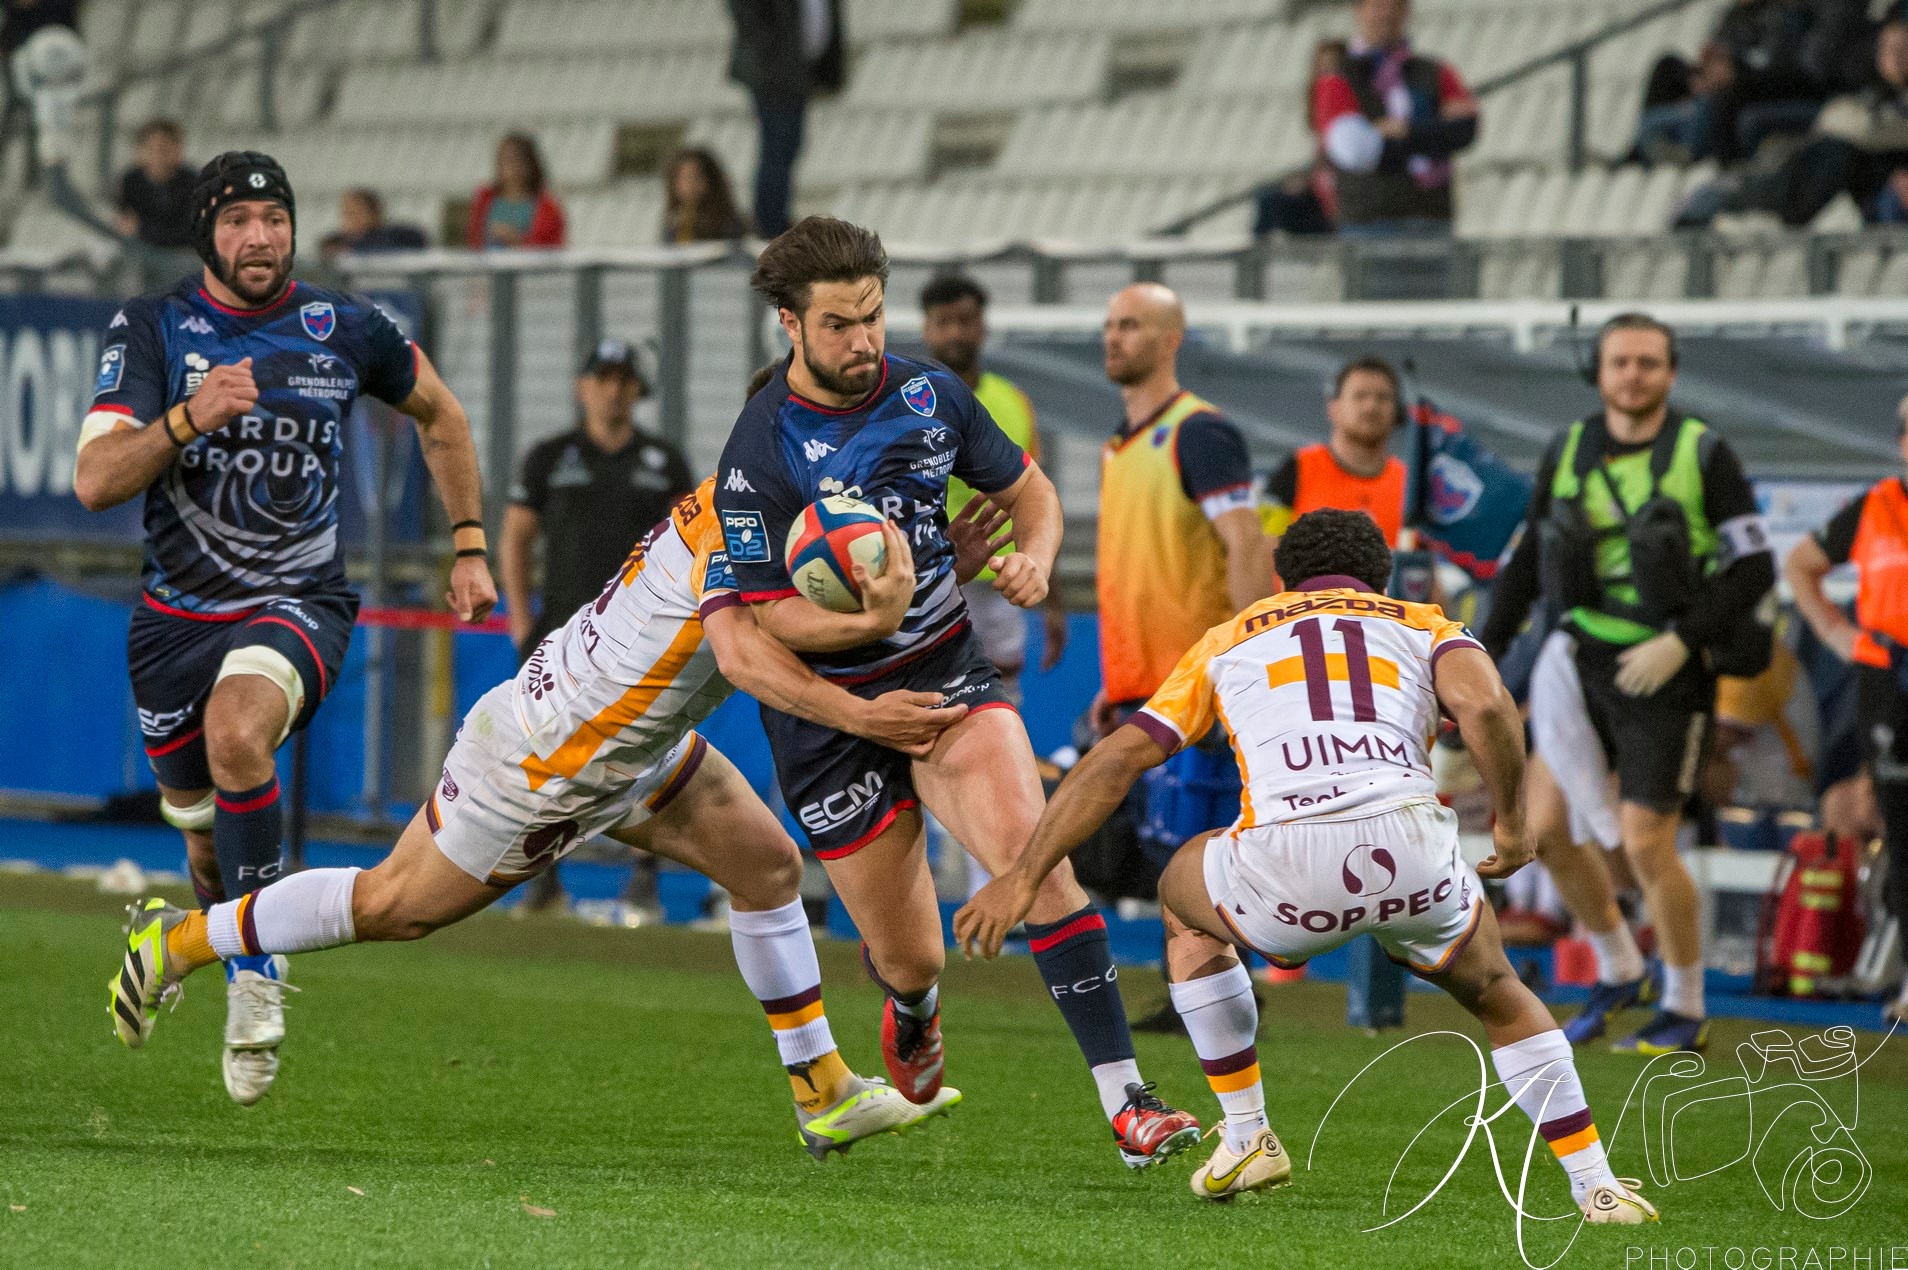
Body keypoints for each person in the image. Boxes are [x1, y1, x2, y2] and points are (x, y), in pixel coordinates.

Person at [108, 477, 970, 1156]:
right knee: (390, 906)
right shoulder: (745, 529)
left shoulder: (751, 503)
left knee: (766, 866)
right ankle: (181, 941)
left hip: (623, 738)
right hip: (550, 759)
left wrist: (922, 576)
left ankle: (821, 1089)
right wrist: (884, 627)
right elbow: (757, 651)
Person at [955, 509, 1659, 1222]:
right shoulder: (1426, 623)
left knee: (1182, 891)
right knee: (1500, 991)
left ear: (1281, 579)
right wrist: (1511, 823)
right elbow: (1486, 706)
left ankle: (1247, 1133)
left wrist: (1022, 876)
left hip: (1288, 870)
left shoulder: (1229, 639)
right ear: (1380, 578)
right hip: (1411, 851)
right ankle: (1596, 1186)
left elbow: (1117, 758)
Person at [712, 217, 1201, 1167]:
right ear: (788, 325)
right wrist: (867, 621)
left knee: (1036, 859)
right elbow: (770, 621)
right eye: (841, 325)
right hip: (831, 721)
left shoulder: (932, 395)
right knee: (913, 956)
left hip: (944, 679)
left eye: (874, 316)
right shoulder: (757, 451)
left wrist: (1037, 560)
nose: (865, 341)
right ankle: (911, 1008)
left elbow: (1031, 494)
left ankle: (1130, 1106)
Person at [74, 151, 499, 1105]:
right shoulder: (153, 328)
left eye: (273, 217)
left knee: (238, 731)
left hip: (299, 604)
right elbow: (97, 480)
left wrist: (468, 544)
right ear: (206, 237)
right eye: (236, 221)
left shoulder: (345, 326)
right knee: (200, 846)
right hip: (173, 622)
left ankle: (256, 978)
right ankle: (201, 936)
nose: (258, 236)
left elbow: (442, 415)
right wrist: (189, 415)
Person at [1480, 313, 1776, 1055]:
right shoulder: (1569, 448)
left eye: (1648, 362)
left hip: (1669, 669)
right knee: (1543, 830)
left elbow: (1755, 568)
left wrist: (1683, 641)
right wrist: (1482, 654)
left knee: (1648, 843)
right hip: (1578, 658)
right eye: (1620, 362)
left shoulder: (1704, 453)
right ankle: (1620, 968)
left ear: (1670, 373)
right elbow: (1524, 567)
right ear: (1599, 372)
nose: (1633, 375)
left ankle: (1685, 1005)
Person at [1093, 282, 1274, 1028]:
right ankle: (1207, 989)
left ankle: (1224, 990)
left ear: (1172, 339)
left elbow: (1244, 540)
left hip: (1201, 684)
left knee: (1194, 842)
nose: (1114, 337)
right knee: (1160, 844)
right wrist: (1115, 682)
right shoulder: (1118, 447)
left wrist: (1252, 646)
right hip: (1143, 685)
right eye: (1109, 325)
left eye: (1131, 325)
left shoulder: (1198, 434)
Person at [502, 338, 694, 920]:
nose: (613, 389)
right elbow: (515, 539)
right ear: (583, 386)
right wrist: (517, 617)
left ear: (639, 390)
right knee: (547, 757)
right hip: (558, 634)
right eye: (602, 377)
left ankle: (644, 880)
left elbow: (694, 543)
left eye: (623, 379)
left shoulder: (663, 460)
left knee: (652, 750)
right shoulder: (549, 457)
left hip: (642, 635)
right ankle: (543, 881)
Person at [1784, 391, 1908, 1024]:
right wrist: (1841, 637)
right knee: (1899, 829)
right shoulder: (1875, 507)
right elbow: (1802, 564)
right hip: (1888, 682)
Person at [919, 275, 1067, 702]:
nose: (955, 333)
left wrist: (1052, 598)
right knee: (932, 701)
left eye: (965, 320)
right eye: (943, 322)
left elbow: (1038, 500)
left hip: (1003, 582)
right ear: (927, 329)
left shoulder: (1012, 401)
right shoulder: (905, 401)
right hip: (930, 578)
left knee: (1001, 699)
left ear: (983, 326)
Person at [1313, 0, 1478, 235]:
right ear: (1360, 11)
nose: (1386, 14)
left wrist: (1404, 131)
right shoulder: (1338, 77)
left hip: (1432, 219)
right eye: (1378, 6)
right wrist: (1431, 135)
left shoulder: (1433, 71)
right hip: (1369, 225)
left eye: (1395, 6)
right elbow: (1354, 149)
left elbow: (1464, 129)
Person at [725, 0, 845, 239]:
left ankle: (774, 220)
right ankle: (770, 224)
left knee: (788, 145)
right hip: (775, 73)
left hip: (798, 72)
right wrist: (772, 58)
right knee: (778, 146)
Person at [1262, 356, 1408, 552]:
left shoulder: (1409, 483)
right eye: (1359, 396)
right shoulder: (1297, 469)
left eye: (1383, 397)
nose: (1371, 406)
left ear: (1397, 412)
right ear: (1333, 408)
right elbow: (1262, 551)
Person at [1254, 39, 1346, 238]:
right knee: (1268, 199)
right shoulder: (1318, 109)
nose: (1328, 75)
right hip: (1321, 195)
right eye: (1322, 68)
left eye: (1334, 67)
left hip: (1343, 203)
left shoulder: (1351, 107)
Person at [466, 133, 565, 250]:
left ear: (529, 163)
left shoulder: (548, 208)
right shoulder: (485, 199)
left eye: (513, 160)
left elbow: (553, 250)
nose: (508, 167)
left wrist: (517, 240)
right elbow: (473, 242)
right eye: (502, 160)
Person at [114, 119, 194, 251]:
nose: (157, 156)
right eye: (151, 149)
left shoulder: (192, 183)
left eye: (164, 149)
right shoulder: (130, 181)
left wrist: (142, 229)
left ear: (178, 150)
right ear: (140, 151)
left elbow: (190, 234)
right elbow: (124, 221)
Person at [662, 147, 749, 243]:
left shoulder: (730, 223)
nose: (690, 185)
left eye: (695, 177)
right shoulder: (673, 222)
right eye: (683, 179)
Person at [319, 188, 427, 259]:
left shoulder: (399, 236)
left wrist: (353, 250)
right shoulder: (336, 242)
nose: (348, 219)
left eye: (354, 213)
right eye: (346, 213)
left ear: (373, 214)